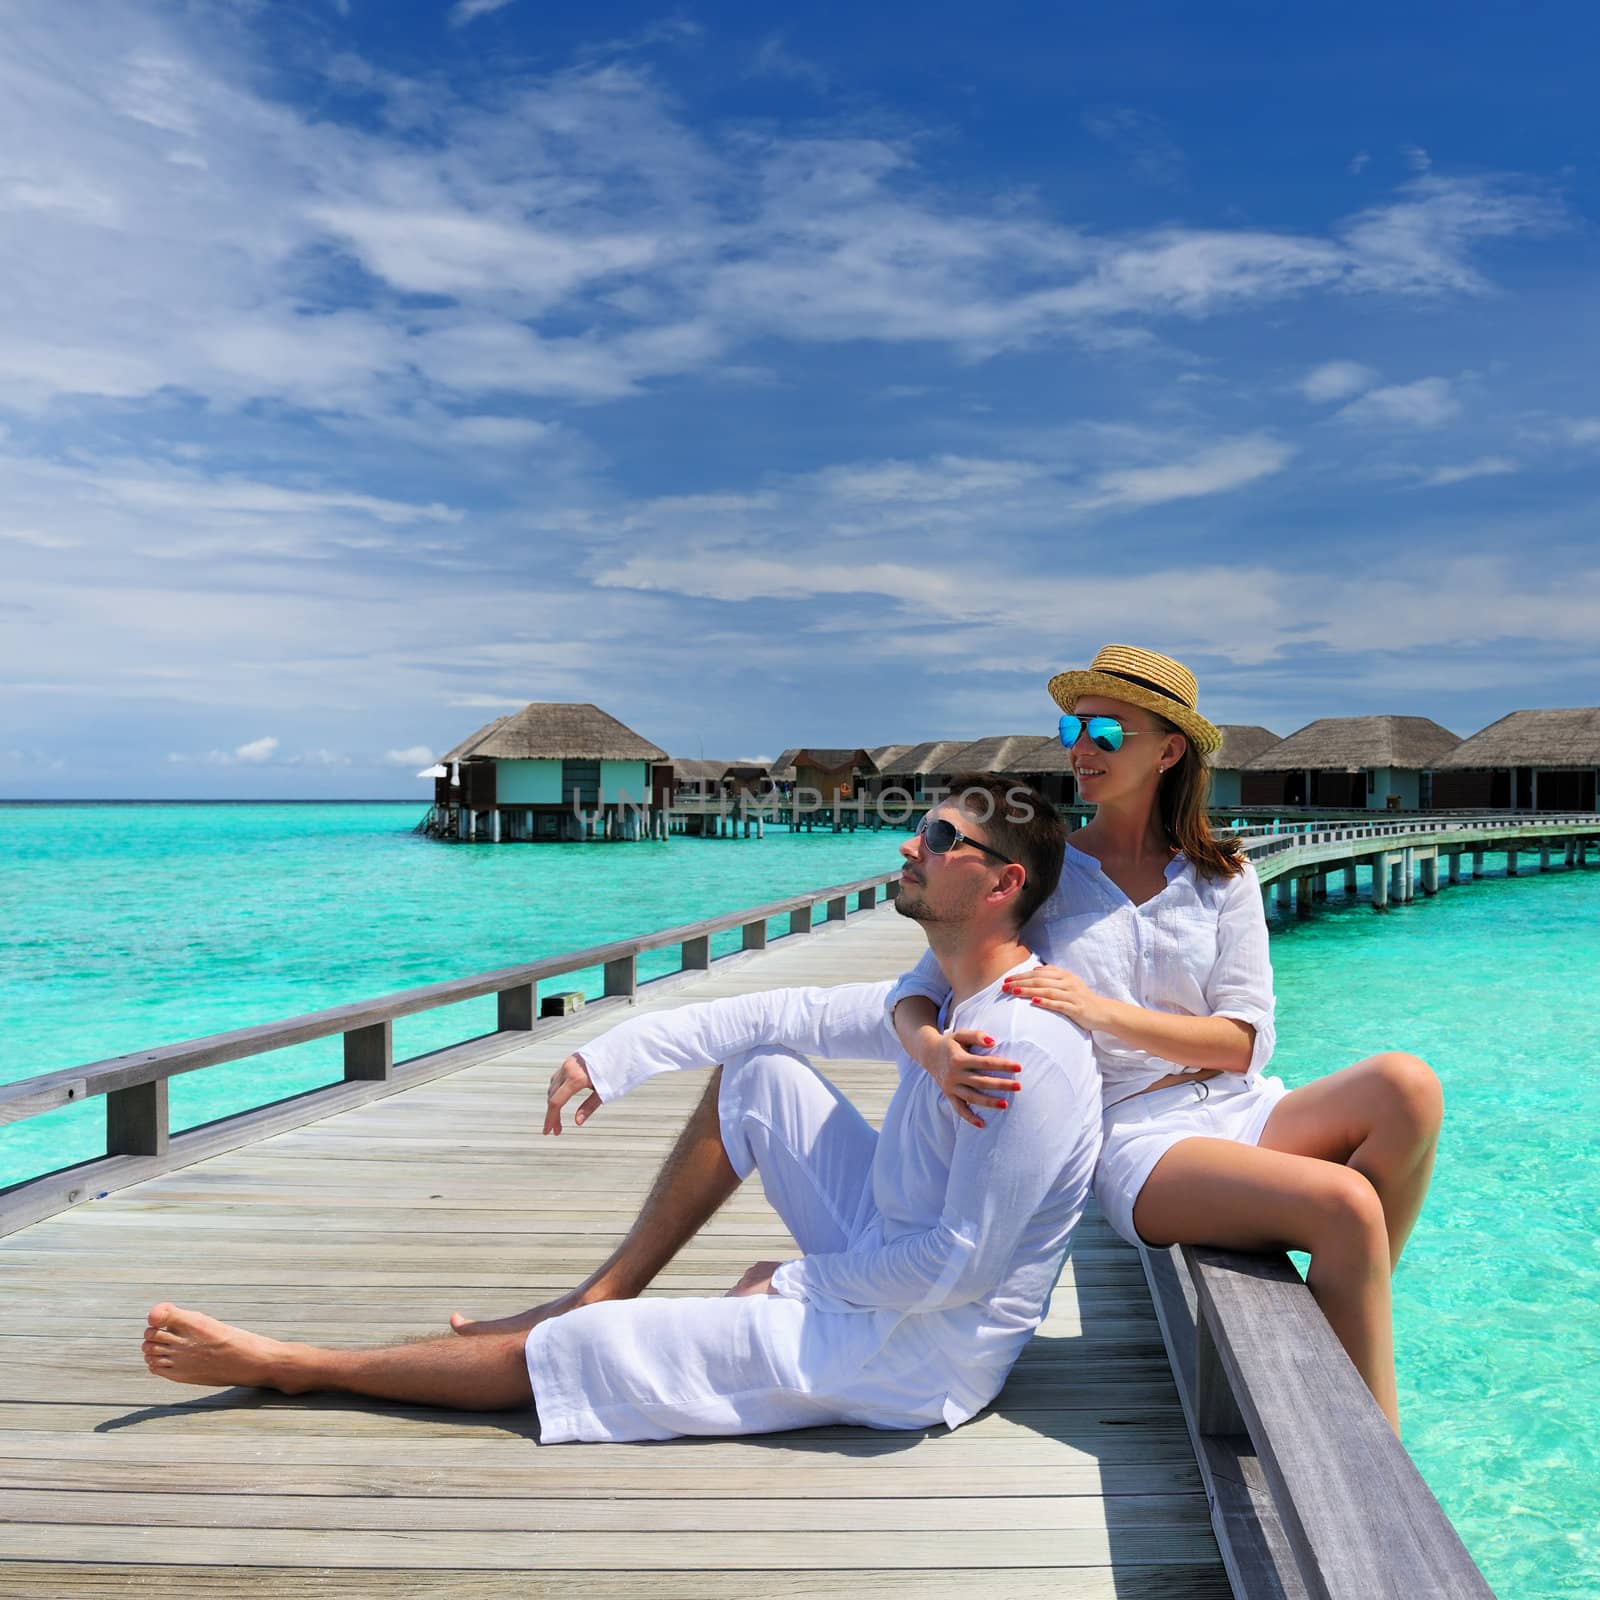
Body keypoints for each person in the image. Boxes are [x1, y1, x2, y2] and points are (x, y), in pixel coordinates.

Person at [142, 775, 1103, 1445]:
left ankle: (302, 1363)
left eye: (938, 840)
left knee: (576, 1353)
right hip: (890, 1259)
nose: (909, 845)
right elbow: (781, 1011)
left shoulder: (1016, 1052)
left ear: (1002, 883)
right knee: (759, 1066)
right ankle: (605, 1287)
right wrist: (616, 1053)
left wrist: (803, 1280)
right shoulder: (942, 999)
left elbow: (956, 1270)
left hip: (919, 1354)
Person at [888, 645, 1442, 1434]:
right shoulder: (1045, 873)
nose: (1080, 748)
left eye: (1105, 732)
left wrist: (1100, 1010)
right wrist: (936, 1053)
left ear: (1168, 749)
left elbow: (1248, 1044)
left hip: (1240, 1107)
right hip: (1135, 1136)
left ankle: (1340, 1333)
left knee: (1409, 1087)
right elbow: (916, 994)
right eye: (1070, 729)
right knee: (1350, 1204)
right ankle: (1379, 1459)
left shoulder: (1224, 874)